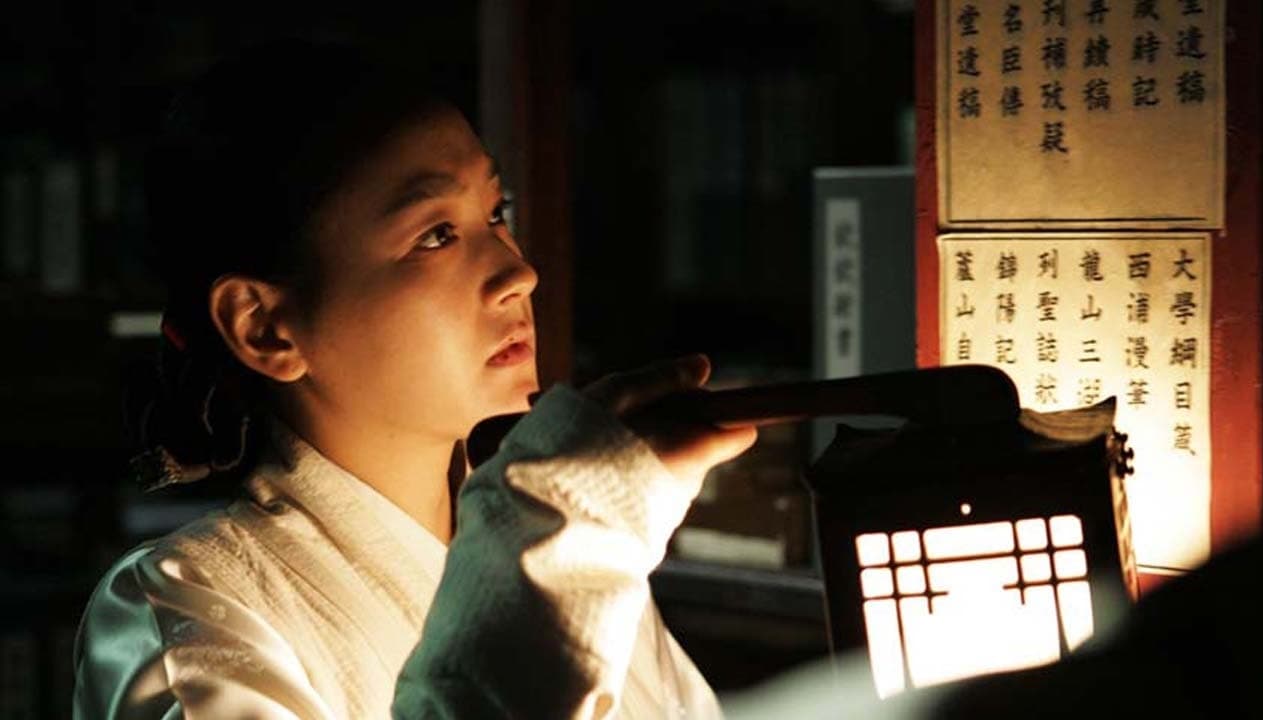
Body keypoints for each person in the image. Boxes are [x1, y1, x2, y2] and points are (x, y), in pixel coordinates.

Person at [72, 40, 757, 719]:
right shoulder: (192, 606)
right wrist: (562, 534)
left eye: (496, 214)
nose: (519, 273)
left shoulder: (570, 550)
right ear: (265, 327)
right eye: (435, 236)